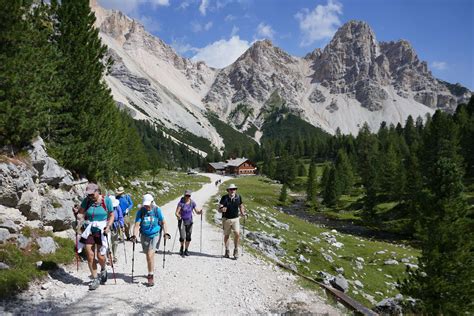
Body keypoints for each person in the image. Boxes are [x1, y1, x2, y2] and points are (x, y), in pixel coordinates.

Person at [73, 183, 114, 290]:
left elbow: (111, 215)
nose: (90, 196)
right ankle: (95, 279)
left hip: (102, 229)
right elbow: (81, 214)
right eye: (88, 194)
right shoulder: (86, 201)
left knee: (100, 256)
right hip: (89, 229)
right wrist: (77, 213)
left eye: (92, 194)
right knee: (90, 255)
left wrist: (108, 226)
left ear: (97, 191)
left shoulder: (106, 201)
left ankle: (103, 269)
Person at [131, 194, 170, 287]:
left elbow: (163, 222)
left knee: (150, 254)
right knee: (148, 255)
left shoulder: (157, 210)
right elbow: (137, 224)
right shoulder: (141, 211)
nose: (147, 206)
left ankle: (150, 275)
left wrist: (165, 233)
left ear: (152, 202)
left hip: (155, 234)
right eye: (145, 205)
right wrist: (134, 236)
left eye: (148, 205)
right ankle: (150, 270)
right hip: (144, 235)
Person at [218, 183, 246, 259]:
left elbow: (241, 205)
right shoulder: (224, 198)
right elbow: (219, 208)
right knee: (226, 235)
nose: (232, 191)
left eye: (234, 189)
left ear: (236, 190)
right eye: (231, 189)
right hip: (226, 219)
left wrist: (242, 212)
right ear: (228, 190)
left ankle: (236, 250)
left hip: (236, 219)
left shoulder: (238, 197)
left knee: (237, 233)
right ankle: (227, 251)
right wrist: (221, 209)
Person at [175, 190, 203, 256]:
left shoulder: (192, 203)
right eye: (186, 195)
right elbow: (176, 212)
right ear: (184, 195)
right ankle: (181, 247)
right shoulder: (181, 203)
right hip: (182, 221)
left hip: (189, 221)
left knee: (188, 236)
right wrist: (178, 216)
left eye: (189, 196)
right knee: (182, 236)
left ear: (190, 196)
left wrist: (200, 212)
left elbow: (197, 211)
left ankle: (186, 250)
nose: (187, 197)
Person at [109, 195, 124, 263]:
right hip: (107, 225)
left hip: (115, 225)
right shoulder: (105, 208)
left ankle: (114, 255)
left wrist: (122, 225)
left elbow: (120, 216)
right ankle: (110, 257)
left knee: (115, 242)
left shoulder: (117, 207)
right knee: (108, 242)